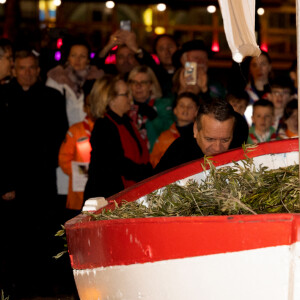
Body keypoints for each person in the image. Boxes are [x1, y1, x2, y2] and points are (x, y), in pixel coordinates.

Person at [8, 49, 69, 297]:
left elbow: (58, 135)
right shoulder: (4, 96)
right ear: (14, 70)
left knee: (43, 233)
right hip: (12, 181)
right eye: (22, 68)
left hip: (43, 178)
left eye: (32, 68)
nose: (27, 72)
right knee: (14, 237)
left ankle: (41, 285)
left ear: (38, 70)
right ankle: (16, 285)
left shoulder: (52, 97)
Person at [46, 37, 104, 203]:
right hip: (65, 143)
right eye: (74, 55)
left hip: (90, 141)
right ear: (67, 57)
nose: (78, 60)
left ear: (88, 59)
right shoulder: (56, 80)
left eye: (83, 56)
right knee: (67, 197)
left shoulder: (97, 79)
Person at [84, 75, 153, 200]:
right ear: (111, 99)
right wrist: (147, 172)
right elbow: (116, 163)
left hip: (129, 193)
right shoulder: (103, 126)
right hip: (108, 198)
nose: (130, 98)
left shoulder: (126, 121)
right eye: (126, 94)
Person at [155, 98, 249, 173]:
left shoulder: (239, 139)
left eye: (225, 140)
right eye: (210, 139)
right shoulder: (178, 153)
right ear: (196, 130)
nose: (217, 148)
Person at [58, 94, 95, 220]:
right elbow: (63, 160)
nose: (94, 108)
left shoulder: (108, 128)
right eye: (90, 105)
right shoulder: (75, 130)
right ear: (85, 107)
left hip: (101, 193)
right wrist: (81, 173)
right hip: (78, 197)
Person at [128, 65, 174, 152]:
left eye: (143, 82)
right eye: (134, 82)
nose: (138, 86)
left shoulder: (163, 104)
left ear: (151, 85)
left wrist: (154, 117)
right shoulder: (125, 108)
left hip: (156, 157)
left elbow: (170, 132)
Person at [150, 92, 199, 168]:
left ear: (196, 112)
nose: (185, 109)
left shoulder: (200, 135)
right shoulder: (164, 136)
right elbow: (154, 160)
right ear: (175, 110)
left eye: (190, 106)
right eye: (182, 105)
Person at [244, 51, 272, 126]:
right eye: (254, 65)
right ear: (250, 69)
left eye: (263, 64)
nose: (259, 69)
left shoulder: (277, 94)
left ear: (270, 67)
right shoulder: (244, 94)